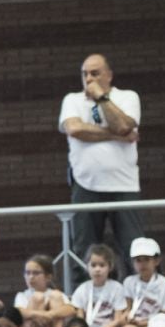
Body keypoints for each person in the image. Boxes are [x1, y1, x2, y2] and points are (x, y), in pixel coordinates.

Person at [59, 54, 143, 258]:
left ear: (109, 76)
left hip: (124, 185)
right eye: (85, 74)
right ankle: (81, 290)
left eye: (95, 73)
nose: (88, 79)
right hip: (86, 184)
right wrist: (116, 136)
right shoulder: (72, 100)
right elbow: (75, 129)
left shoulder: (127, 97)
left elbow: (123, 125)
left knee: (134, 247)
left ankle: (139, 289)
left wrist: (102, 98)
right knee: (83, 248)